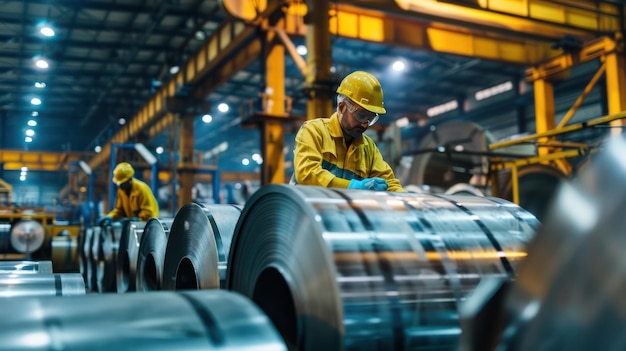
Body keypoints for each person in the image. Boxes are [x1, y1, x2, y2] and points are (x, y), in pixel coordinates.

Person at [293, 71, 405, 192]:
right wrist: (351, 186)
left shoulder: (368, 149)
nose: (365, 124)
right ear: (341, 107)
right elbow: (307, 174)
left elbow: (391, 184)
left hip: (339, 211)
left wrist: (410, 203)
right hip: (304, 209)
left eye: (370, 118)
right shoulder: (314, 131)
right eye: (361, 115)